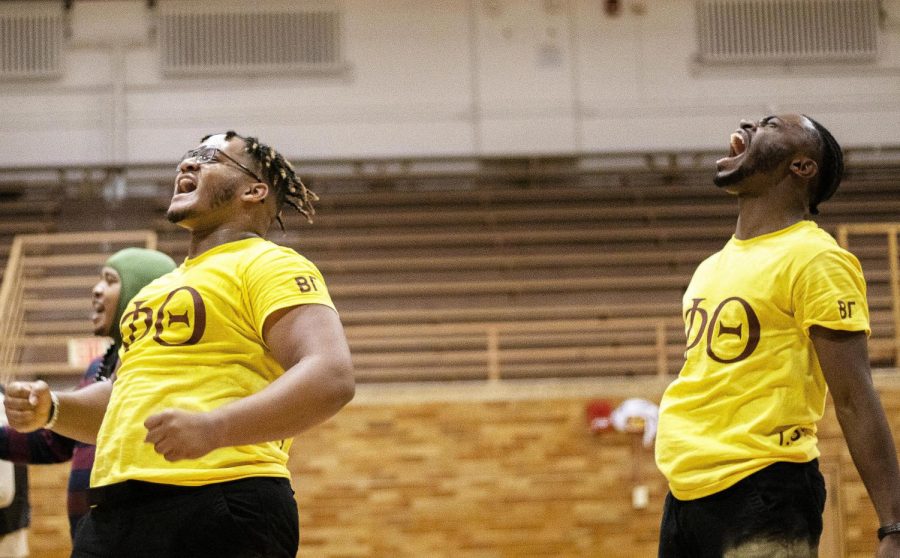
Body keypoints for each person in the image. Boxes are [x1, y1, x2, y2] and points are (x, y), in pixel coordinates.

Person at [5, 131, 355, 558]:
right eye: (188, 156)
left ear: (254, 190)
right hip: (114, 512)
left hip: (222, 501)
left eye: (209, 157)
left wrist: (215, 428)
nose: (187, 164)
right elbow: (122, 399)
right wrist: (53, 409)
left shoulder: (270, 263)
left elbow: (330, 375)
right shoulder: (159, 288)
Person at [654, 113, 900, 557]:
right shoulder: (710, 267)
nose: (748, 122)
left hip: (765, 487)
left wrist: (894, 526)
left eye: (770, 124)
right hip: (685, 495)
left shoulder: (816, 258)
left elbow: (854, 397)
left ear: (802, 167)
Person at [0, 247, 176, 539]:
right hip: (92, 537)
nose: (96, 290)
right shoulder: (98, 366)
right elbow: (53, 442)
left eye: (110, 280)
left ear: (142, 291)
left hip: (141, 537)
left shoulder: (161, 365)